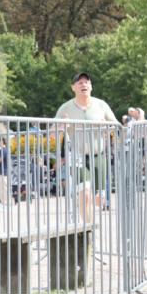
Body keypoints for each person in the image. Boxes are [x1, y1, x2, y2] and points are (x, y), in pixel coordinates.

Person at [54, 72, 119, 221]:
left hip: (99, 156)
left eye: (86, 82)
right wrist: (61, 126)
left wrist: (107, 126)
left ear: (91, 87)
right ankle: (88, 233)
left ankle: (88, 208)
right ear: (73, 88)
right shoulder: (66, 107)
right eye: (80, 83)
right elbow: (52, 132)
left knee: (98, 199)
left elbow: (117, 127)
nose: (84, 85)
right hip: (78, 157)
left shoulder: (101, 105)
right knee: (86, 195)